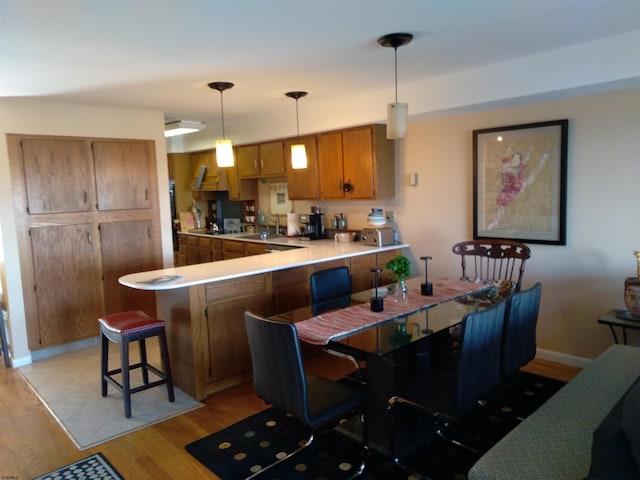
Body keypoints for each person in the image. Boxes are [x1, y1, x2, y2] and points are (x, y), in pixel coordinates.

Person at [487, 143, 549, 230]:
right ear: (512, 159)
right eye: (514, 159)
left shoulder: (520, 168)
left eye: (518, 159)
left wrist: (530, 150)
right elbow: (506, 154)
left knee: (533, 174)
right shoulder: (506, 165)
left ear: (520, 161)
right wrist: (510, 146)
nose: (516, 161)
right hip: (506, 188)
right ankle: (496, 220)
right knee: (502, 205)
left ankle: (543, 158)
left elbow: (526, 159)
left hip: (517, 187)